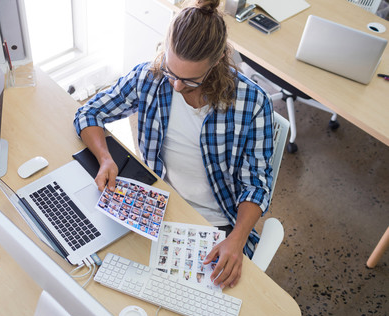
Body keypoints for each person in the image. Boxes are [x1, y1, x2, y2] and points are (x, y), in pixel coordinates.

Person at [73, 0, 274, 289]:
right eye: (172, 71)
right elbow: (89, 113)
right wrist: (105, 157)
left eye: (190, 79)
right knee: (106, 281)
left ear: (217, 62)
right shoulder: (151, 77)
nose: (176, 86)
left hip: (218, 223)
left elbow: (256, 185)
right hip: (159, 206)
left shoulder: (253, 103)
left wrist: (237, 238)